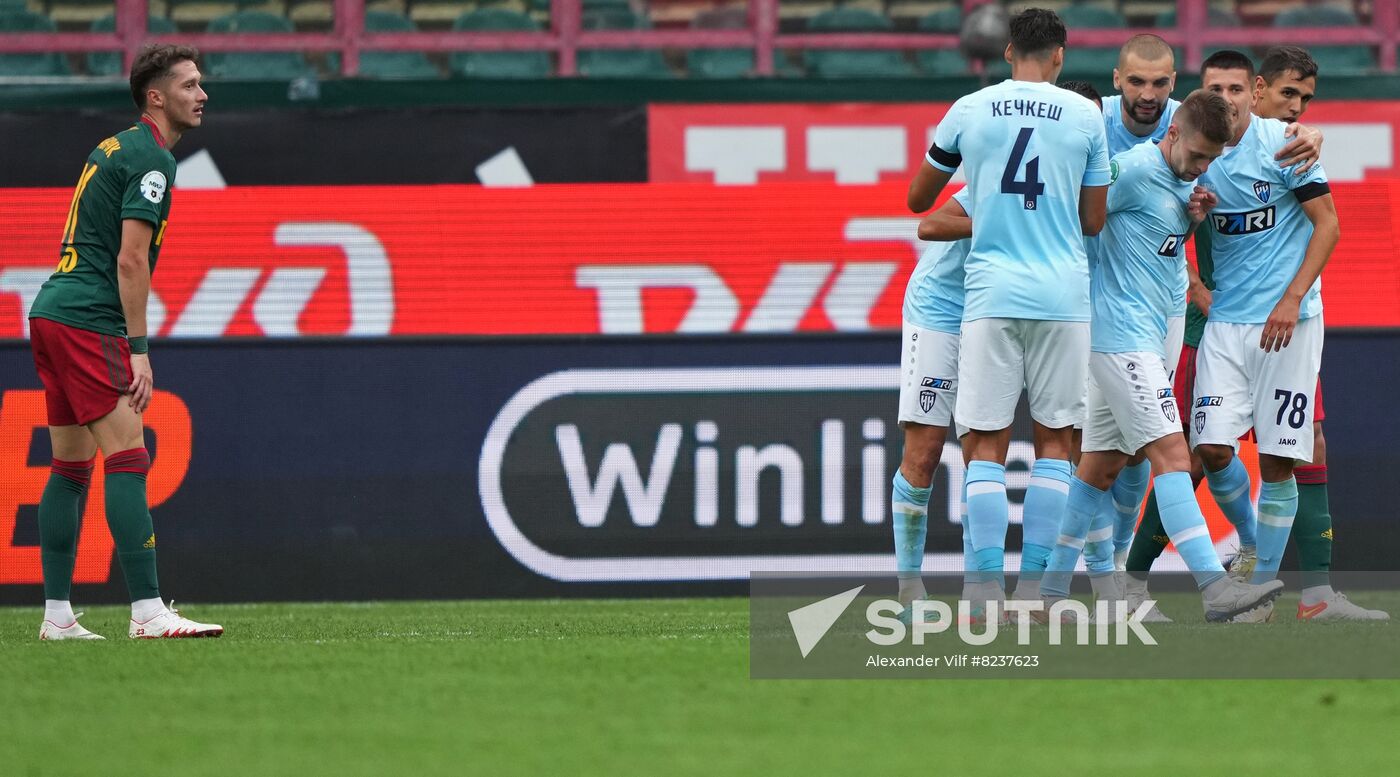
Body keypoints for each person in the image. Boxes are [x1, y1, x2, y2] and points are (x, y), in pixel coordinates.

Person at [1037, 90, 1284, 621]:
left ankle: (1048, 594)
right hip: (1119, 338)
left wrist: (1192, 217)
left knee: (1099, 469)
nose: (1202, 168)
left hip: (1147, 337)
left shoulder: (1183, 184)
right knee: (1173, 455)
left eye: (1210, 161)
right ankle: (1216, 590)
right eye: (1196, 156)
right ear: (1171, 133)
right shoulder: (1126, 171)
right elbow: (1074, 226)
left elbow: (1151, 241)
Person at [906, 7, 1109, 615]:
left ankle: (981, 589)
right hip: (1062, 297)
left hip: (990, 295)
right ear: (1060, 56)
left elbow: (919, 201)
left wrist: (987, 203)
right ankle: (1038, 592)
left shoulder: (970, 109)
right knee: (1056, 442)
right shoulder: (1084, 115)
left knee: (985, 443)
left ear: (1006, 53)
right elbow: (1094, 220)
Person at [29, 44, 222, 640]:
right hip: (90, 318)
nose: (203, 94)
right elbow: (131, 259)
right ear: (156, 97)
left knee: (68, 467)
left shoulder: (114, 145)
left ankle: (57, 617)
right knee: (130, 457)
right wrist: (138, 346)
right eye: (190, 84)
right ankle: (147, 612)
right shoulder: (152, 159)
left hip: (51, 311)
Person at [1188, 50, 1339, 619]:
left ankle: (1260, 594)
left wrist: (1292, 299)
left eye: (1234, 89)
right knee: (1210, 447)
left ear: (1252, 90)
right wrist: (1195, 273)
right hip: (1226, 325)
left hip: (1288, 325)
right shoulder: (1189, 146)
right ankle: (1253, 547)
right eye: (1214, 89)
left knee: (1278, 460)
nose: (1224, 99)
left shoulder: (1285, 144)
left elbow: (1329, 224)